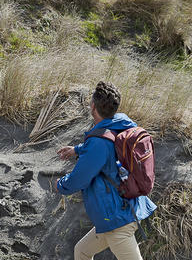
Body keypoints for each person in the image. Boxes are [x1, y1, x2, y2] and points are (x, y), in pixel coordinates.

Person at [56, 81, 157, 260]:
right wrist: (77, 149)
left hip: (117, 221)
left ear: (93, 106)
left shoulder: (98, 143)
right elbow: (108, 146)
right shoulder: (122, 124)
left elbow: (78, 180)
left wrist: (61, 185)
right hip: (126, 209)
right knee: (82, 252)